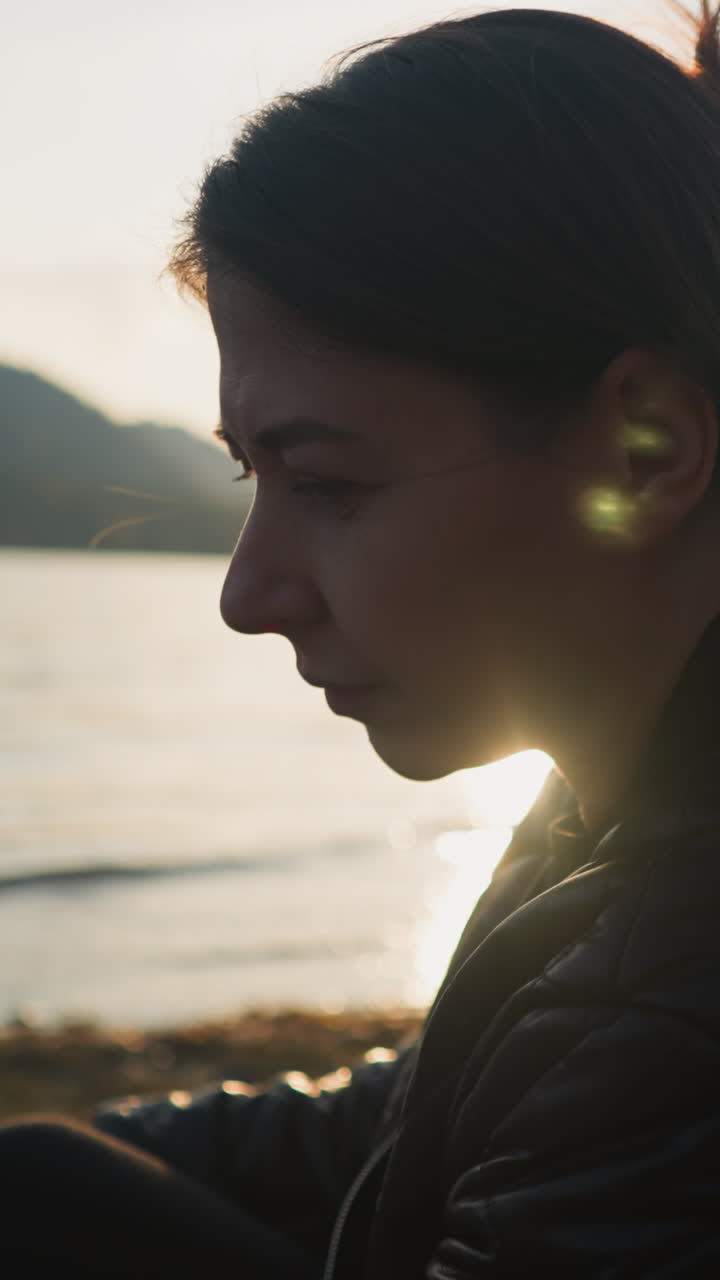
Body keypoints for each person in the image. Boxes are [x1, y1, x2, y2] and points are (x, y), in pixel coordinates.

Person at [5, 2, 720, 1273]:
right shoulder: (616, 802)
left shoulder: (675, 1005)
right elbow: (418, 1115)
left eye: (327, 485)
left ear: (645, 446)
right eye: (251, 480)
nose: (249, 592)